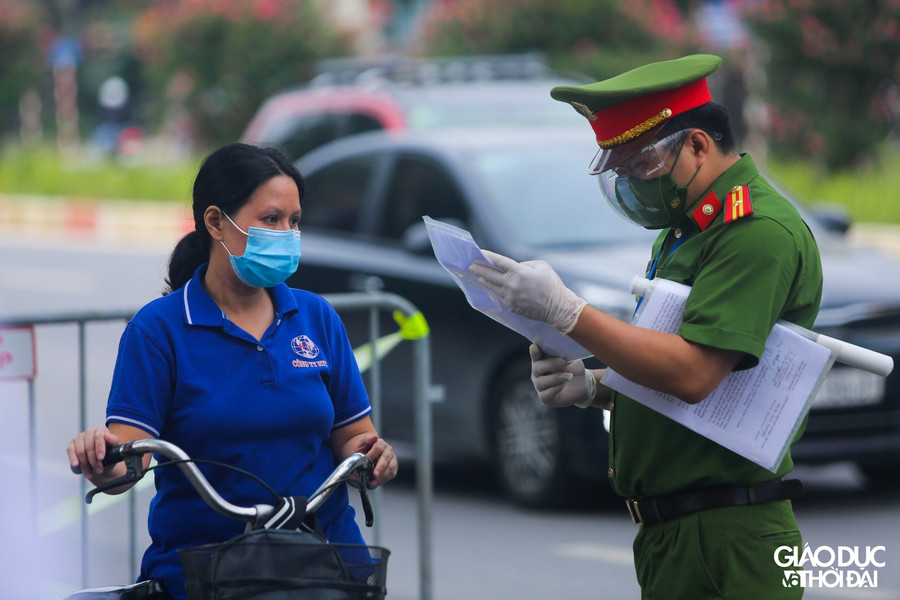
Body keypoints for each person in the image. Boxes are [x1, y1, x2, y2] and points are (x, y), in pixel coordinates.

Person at [469, 54, 822, 599]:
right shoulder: (689, 226)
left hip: (728, 534)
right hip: (676, 532)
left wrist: (569, 313)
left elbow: (696, 373)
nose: (633, 182)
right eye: (621, 170)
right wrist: (595, 387)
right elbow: (676, 362)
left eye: (640, 164)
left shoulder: (755, 230)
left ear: (698, 145)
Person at [66, 142, 398, 600]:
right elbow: (128, 455)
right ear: (216, 221)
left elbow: (355, 442)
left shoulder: (317, 317)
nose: (286, 233)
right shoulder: (159, 330)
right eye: (270, 219)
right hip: (207, 569)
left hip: (327, 563)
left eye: (294, 221)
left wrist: (374, 459)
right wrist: (100, 456)